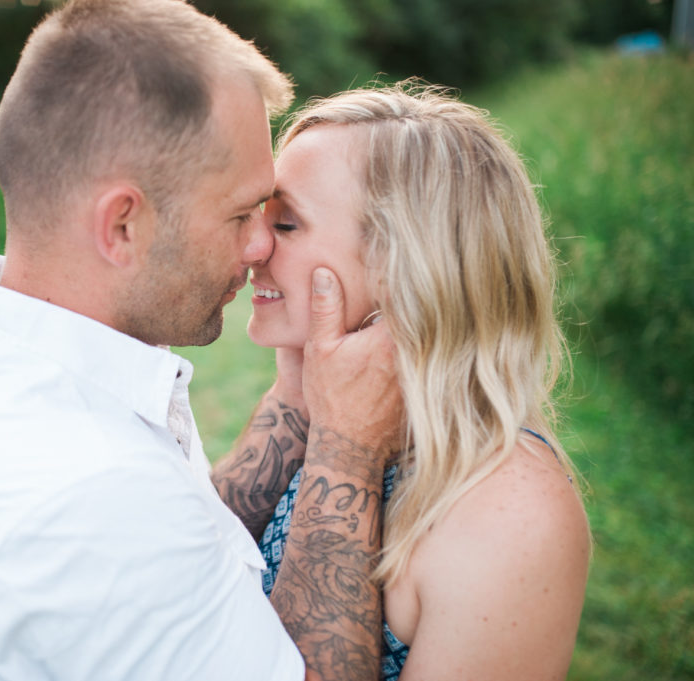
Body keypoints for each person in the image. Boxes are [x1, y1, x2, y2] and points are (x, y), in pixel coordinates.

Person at [0, 2, 403, 680]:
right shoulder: (92, 496)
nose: (260, 244)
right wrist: (347, 449)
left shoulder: (29, 360)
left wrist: (296, 394)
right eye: (239, 214)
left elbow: (193, 539)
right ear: (122, 226)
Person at [218, 82, 591, 680]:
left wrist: (344, 443)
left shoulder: (512, 510)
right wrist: (297, 392)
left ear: (406, 265)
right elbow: (194, 566)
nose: (252, 243)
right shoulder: (325, 404)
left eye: (285, 223)